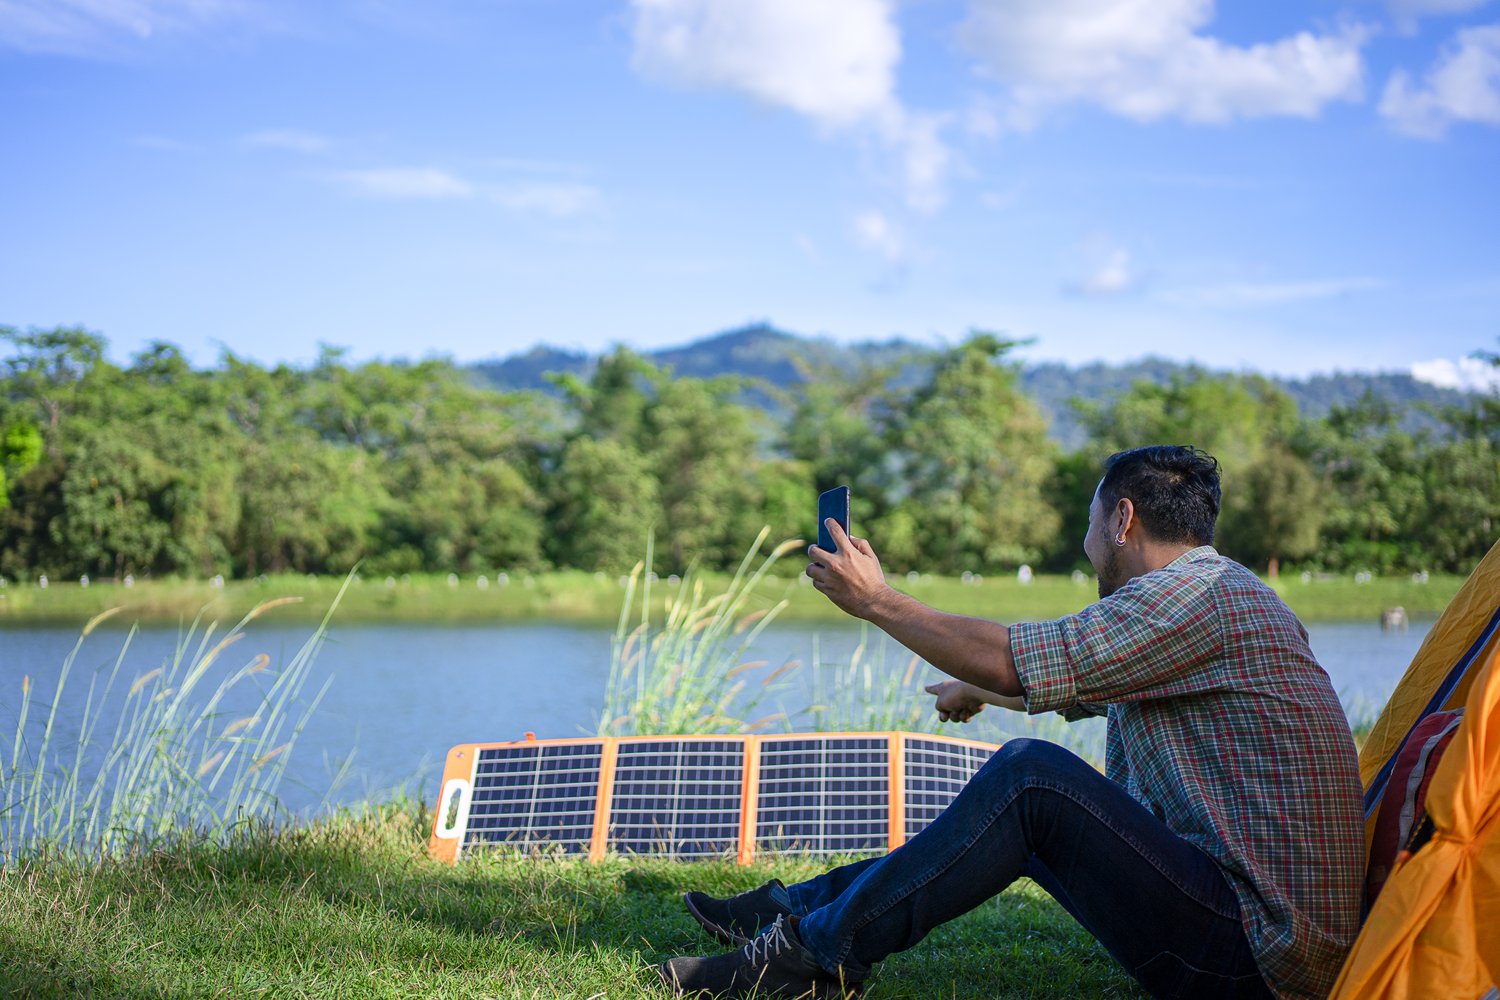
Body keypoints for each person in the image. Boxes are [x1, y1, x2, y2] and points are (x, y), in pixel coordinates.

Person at [657, 445, 1365, 1000]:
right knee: (1027, 807)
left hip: (1259, 961)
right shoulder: (1215, 594)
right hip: (1252, 939)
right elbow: (1082, 685)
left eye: (1090, 521)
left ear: (1121, 520)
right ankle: (792, 912)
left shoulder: (1195, 597)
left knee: (1030, 779)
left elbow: (1017, 662)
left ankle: (808, 961)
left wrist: (877, 600)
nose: (1087, 541)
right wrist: (979, 686)